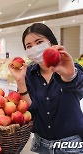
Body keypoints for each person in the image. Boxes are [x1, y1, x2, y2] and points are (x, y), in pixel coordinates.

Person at [9, 23, 83, 154]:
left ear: (51, 42)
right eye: (29, 46)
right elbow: (31, 110)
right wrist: (20, 81)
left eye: (39, 42)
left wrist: (69, 75)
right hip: (41, 143)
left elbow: (78, 85)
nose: (35, 48)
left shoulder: (68, 68)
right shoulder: (29, 74)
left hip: (71, 144)